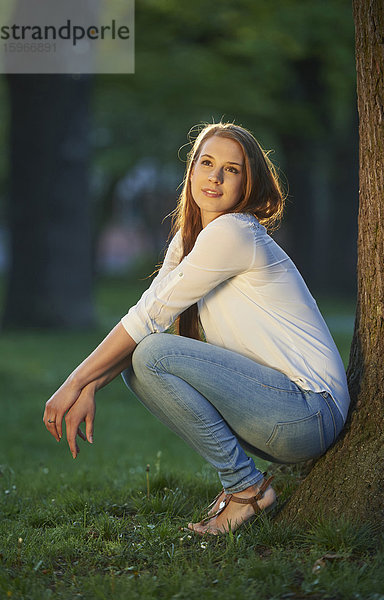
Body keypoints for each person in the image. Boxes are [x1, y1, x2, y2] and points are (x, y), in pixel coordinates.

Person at [43, 122, 350, 536]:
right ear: (191, 172)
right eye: (207, 163)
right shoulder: (192, 239)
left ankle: (246, 490)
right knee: (141, 357)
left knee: (152, 353)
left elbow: (147, 323)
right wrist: (91, 385)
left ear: (248, 183)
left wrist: (76, 383)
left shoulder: (233, 232)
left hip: (309, 412)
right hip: (280, 415)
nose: (216, 177)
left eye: (232, 169)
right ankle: (245, 484)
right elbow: (148, 313)